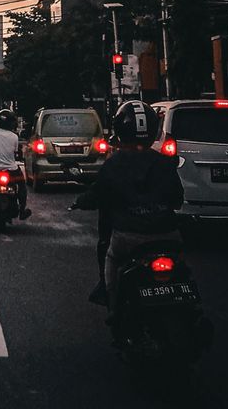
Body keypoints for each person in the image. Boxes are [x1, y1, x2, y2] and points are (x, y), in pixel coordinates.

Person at [74, 99, 184, 316]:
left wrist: (82, 201)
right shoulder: (164, 162)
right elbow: (177, 199)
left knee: (112, 261)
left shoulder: (114, 164)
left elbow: (98, 195)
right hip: (169, 234)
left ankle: (114, 311)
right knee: (181, 269)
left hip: (129, 237)